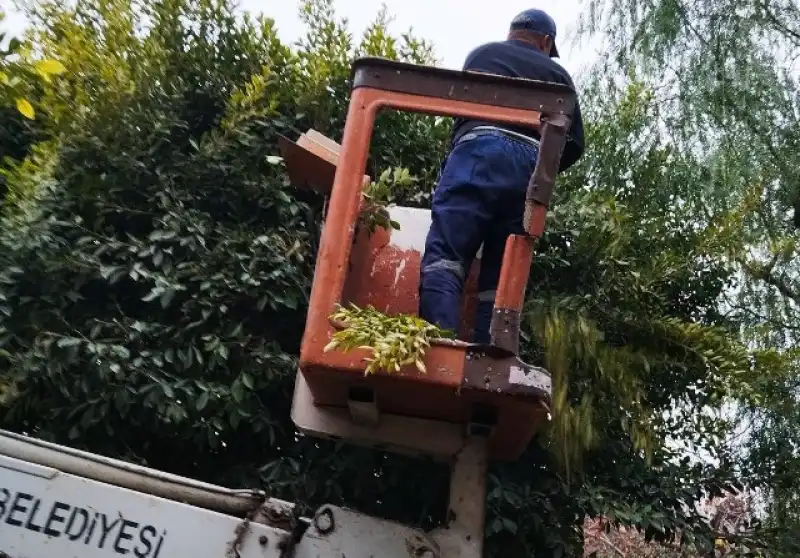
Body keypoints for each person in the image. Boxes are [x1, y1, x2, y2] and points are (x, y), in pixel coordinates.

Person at [418, 8, 585, 344]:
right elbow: (575, 144)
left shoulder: (480, 55)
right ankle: (485, 362)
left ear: (511, 33)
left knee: (445, 260)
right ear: (546, 41)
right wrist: (542, 172)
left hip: (476, 151)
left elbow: (459, 114)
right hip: (527, 166)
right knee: (500, 277)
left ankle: (438, 350)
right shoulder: (559, 75)